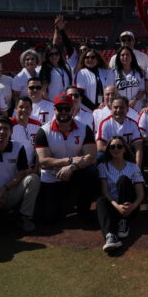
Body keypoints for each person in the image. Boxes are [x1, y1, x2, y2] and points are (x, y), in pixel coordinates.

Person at [34, 94, 98, 222]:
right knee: (49, 219)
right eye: (60, 108)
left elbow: (91, 157)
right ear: (54, 110)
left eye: (67, 108)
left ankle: (83, 209)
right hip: (52, 175)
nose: (63, 112)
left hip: (75, 171)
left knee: (92, 172)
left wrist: (72, 166)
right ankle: (66, 203)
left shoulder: (84, 128)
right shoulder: (43, 131)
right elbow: (43, 162)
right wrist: (69, 161)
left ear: (72, 110)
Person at [97, 136, 145, 252]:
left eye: (119, 146)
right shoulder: (103, 167)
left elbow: (140, 193)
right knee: (100, 201)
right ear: (109, 150)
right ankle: (110, 237)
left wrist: (133, 206)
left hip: (130, 207)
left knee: (123, 179)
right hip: (114, 205)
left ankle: (124, 221)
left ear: (124, 149)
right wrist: (117, 206)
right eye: (112, 147)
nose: (116, 149)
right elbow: (105, 191)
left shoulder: (133, 167)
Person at [97, 97, 143, 166]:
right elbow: (100, 146)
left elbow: (138, 146)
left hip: (127, 153)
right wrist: (118, 151)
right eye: (115, 107)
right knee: (100, 155)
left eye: (121, 107)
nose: (118, 110)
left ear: (127, 109)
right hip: (110, 153)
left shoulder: (133, 124)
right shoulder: (105, 123)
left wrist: (137, 166)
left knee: (141, 152)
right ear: (111, 109)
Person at [10, 96, 41, 174]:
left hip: (32, 168)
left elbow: (39, 149)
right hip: (12, 168)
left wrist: (35, 169)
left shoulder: (37, 124)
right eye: (21, 107)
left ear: (31, 109)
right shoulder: (9, 124)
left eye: (27, 107)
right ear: (15, 109)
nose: (24, 110)